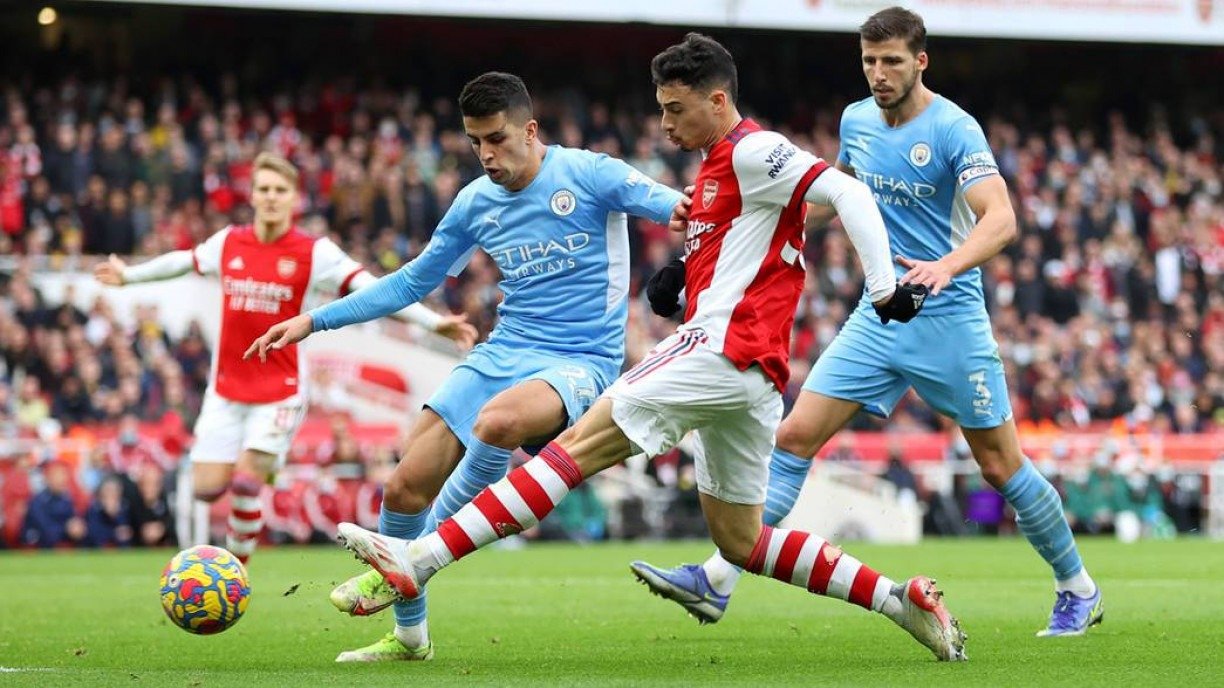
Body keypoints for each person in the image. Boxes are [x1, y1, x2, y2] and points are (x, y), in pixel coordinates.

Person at [297, 36, 965, 661]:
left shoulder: (751, 150)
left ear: (718, 101)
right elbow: (749, 238)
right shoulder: (713, 176)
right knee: (740, 540)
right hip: (754, 372)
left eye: (676, 111)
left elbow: (844, 190)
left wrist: (882, 289)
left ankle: (418, 560)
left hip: (719, 349)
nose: (666, 127)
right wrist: (685, 271)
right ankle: (898, 602)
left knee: (575, 449)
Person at [634, 6, 1102, 638]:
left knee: (998, 465)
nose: (878, 74)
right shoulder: (856, 120)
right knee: (794, 438)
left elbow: (1002, 218)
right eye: (869, 62)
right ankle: (718, 581)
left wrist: (946, 265)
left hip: (948, 316)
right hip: (878, 316)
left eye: (891, 62)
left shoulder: (953, 130)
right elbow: (830, 197)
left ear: (920, 62)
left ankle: (1077, 587)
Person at [245, 72, 687, 662]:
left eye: (497, 139)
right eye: (475, 142)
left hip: (583, 360)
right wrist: (314, 320)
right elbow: (410, 281)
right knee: (405, 484)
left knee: (499, 421)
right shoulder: (475, 203)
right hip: (505, 351)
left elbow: (677, 207)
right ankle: (410, 636)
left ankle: (412, 558)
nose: (486, 155)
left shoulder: (589, 173)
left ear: (530, 131)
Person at [94, 152, 477, 565]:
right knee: (206, 487)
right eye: (264, 189)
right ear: (253, 195)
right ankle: (262, 473)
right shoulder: (229, 242)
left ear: (293, 198)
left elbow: (374, 288)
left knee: (244, 483)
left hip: (280, 392)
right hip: (225, 389)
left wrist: (432, 323)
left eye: (280, 190)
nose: (271, 197)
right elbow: (184, 262)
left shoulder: (315, 253)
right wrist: (130, 275)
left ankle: (234, 571)